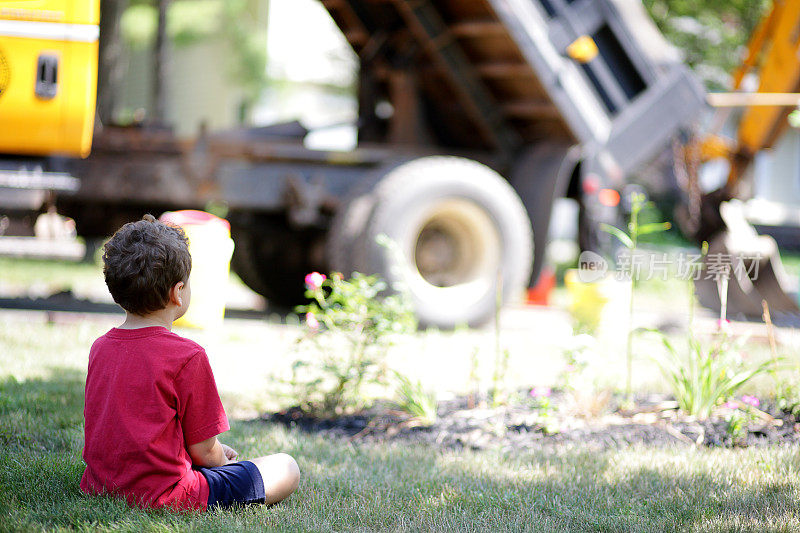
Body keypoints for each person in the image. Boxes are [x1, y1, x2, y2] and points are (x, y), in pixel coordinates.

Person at [80, 214, 300, 511]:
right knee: (286, 467)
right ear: (177, 292)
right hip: (167, 494)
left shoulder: (100, 347)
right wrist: (223, 460)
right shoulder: (187, 356)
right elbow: (205, 454)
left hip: (101, 486)